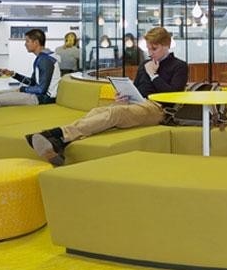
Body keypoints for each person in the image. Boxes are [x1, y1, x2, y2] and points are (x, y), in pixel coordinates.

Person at [26, 27, 187, 166]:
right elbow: (138, 88)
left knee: (115, 113)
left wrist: (154, 75)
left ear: (166, 45)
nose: (150, 53)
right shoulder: (145, 64)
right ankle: (60, 142)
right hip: (137, 103)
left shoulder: (179, 66)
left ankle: (56, 134)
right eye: (148, 49)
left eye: (154, 49)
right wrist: (126, 95)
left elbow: (173, 95)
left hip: (158, 109)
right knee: (97, 111)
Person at [0, 29, 60, 108]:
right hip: (38, 95)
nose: (25, 44)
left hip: (42, 98)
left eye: (27, 41)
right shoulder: (41, 58)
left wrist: (23, 89)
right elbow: (32, 82)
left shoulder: (45, 60)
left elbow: (41, 89)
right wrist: (13, 74)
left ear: (36, 42)